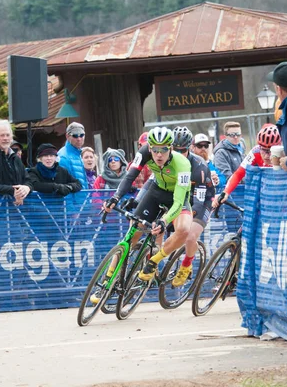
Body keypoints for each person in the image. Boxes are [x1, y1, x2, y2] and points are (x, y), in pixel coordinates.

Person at [100, 127, 192, 294]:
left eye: (163, 149)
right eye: (155, 149)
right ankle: (109, 277)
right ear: (149, 147)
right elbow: (129, 177)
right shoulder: (143, 153)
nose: (158, 154)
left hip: (176, 197)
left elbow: (178, 202)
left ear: (171, 148)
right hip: (156, 192)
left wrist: (164, 221)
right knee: (132, 233)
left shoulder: (183, 164)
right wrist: (115, 198)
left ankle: (154, 261)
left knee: (184, 229)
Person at [169, 126, 215, 286]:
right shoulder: (167, 162)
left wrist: (189, 215)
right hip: (180, 197)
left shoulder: (198, 166)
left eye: (183, 150)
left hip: (202, 199)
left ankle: (187, 264)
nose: (179, 154)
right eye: (176, 150)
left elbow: (199, 201)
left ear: (189, 148)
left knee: (189, 234)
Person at [214, 124, 282, 208]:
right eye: (264, 150)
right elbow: (238, 174)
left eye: (271, 151)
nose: (266, 156)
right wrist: (226, 192)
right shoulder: (255, 151)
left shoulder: (285, 153)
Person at [0, 119, 32, 205]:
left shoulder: (16, 158)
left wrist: (27, 188)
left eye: (8, 135)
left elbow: (28, 180)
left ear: (11, 138)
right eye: (2, 135)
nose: (5, 138)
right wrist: (12, 190)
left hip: (17, 209)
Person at [58, 122, 88, 189]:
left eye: (81, 135)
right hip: (72, 199)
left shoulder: (78, 153)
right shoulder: (63, 157)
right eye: (75, 135)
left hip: (82, 198)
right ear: (67, 136)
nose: (79, 139)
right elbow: (63, 187)